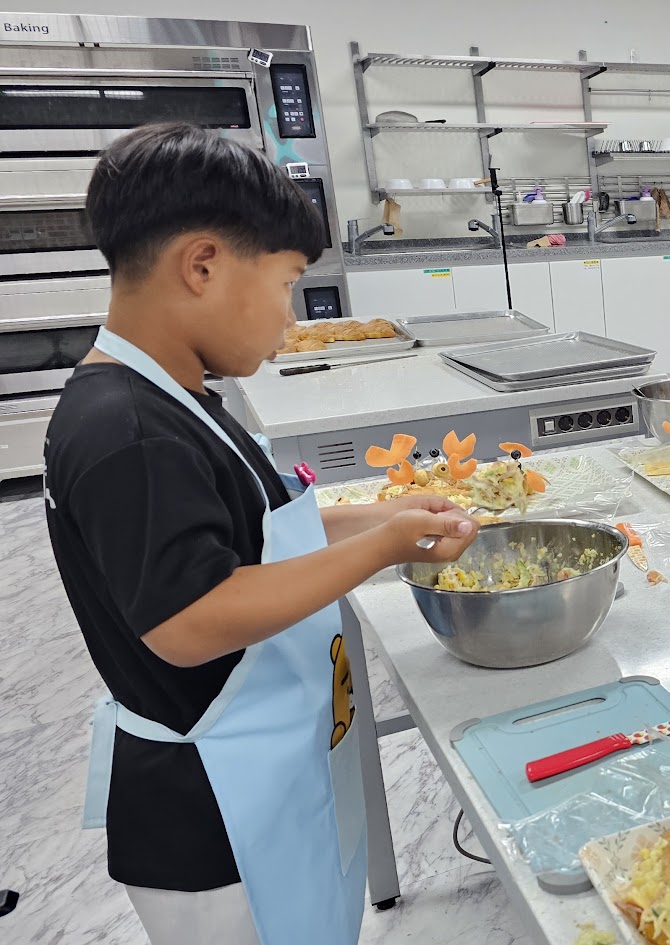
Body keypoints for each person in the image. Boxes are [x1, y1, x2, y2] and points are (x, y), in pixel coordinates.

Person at [44, 123, 479, 945]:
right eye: (285, 285)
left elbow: (257, 537)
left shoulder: (177, 396)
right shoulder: (124, 430)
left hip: (263, 769)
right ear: (202, 265)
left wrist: (386, 516)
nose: (289, 317)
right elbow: (189, 619)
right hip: (210, 810)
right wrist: (381, 548)